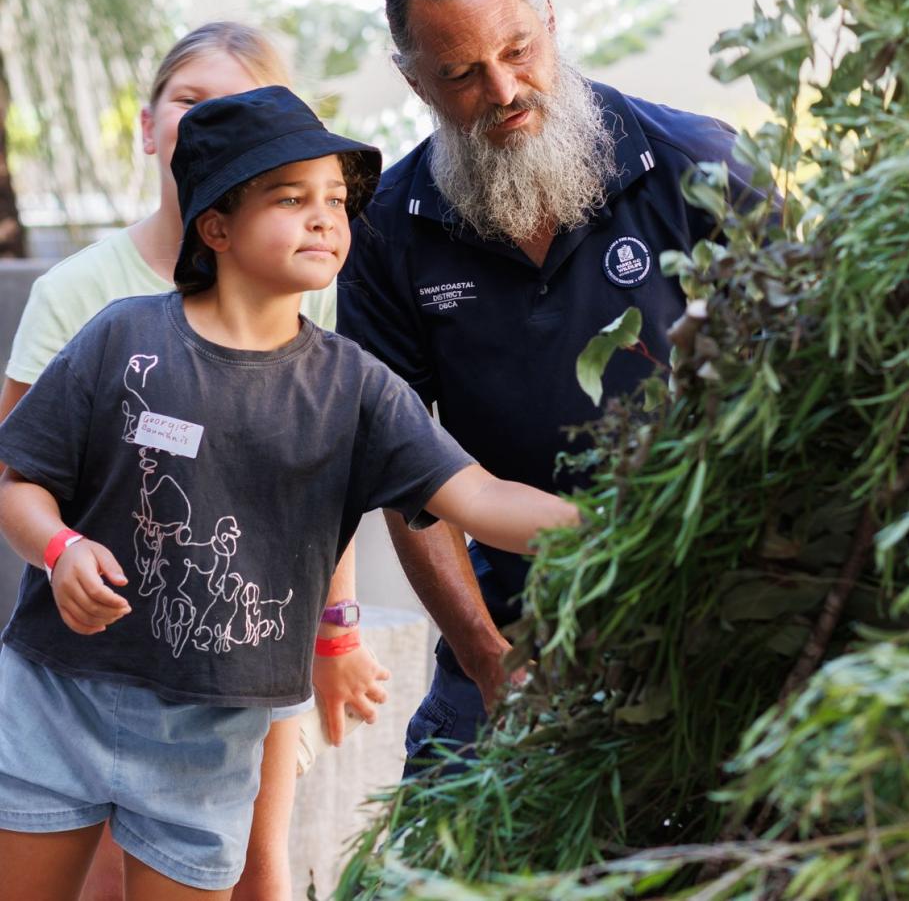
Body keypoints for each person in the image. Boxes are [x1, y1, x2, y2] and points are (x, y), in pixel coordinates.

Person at [0, 85, 578, 900]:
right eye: (290, 196)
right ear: (217, 226)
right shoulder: (121, 336)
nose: (324, 218)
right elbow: (17, 485)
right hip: (52, 701)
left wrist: (623, 527)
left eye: (336, 200)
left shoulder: (359, 390)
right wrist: (60, 551)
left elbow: (482, 500)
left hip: (209, 740)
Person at [337, 0, 762, 772]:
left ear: (550, 20)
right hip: (504, 604)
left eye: (517, 50)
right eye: (460, 74)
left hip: (705, 586)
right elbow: (402, 469)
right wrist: (489, 657)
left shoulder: (698, 165)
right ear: (412, 77)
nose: (502, 89)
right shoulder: (386, 230)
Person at [0, 22, 389, 901]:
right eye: (189, 100)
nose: (207, 120)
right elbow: (18, 473)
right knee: (95, 868)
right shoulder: (84, 298)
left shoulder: (309, 284)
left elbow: (322, 480)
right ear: (148, 125)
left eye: (241, 105)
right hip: (94, 669)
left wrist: (337, 628)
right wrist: (63, 556)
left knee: (260, 869)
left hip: (241, 660)